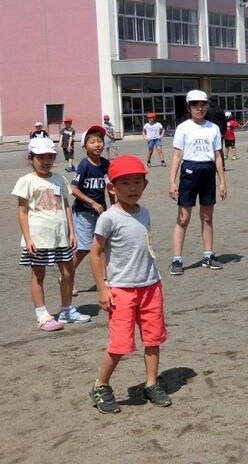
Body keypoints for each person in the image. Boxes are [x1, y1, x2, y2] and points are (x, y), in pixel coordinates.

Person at [88, 155, 171, 413]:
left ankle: (151, 383)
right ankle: (101, 385)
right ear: (112, 187)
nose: (132, 188)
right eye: (125, 183)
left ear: (145, 185)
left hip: (150, 285)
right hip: (121, 289)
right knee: (120, 343)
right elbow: (95, 252)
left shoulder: (144, 213)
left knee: (153, 338)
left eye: (137, 182)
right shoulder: (108, 218)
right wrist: (102, 288)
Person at [12, 137, 87, 331]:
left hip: (60, 236)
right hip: (38, 238)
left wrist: (72, 232)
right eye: (41, 157)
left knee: (68, 271)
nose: (46, 161)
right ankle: (42, 315)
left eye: (50, 157)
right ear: (31, 158)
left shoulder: (60, 179)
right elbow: (22, 211)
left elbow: (66, 206)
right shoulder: (26, 181)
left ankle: (66, 310)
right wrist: (27, 238)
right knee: (38, 274)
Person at [168, 90, 227, 275]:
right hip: (189, 171)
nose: (199, 108)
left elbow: (218, 156)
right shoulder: (183, 128)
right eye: (195, 105)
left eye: (202, 104)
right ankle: (177, 259)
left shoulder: (213, 128)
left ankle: (208, 255)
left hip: (208, 171)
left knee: (207, 217)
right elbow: (177, 155)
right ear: (189, 107)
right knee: (183, 218)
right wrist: (171, 181)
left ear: (207, 106)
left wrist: (222, 182)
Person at [70, 125, 114, 296]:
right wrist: (92, 203)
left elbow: (110, 187)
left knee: (101, 246)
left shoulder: (105, 164)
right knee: (84, 249)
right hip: (83, 213)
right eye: (92, 142)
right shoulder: (84, 165)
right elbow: (73, 189)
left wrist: (113, 207)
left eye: (100, 141)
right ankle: (66, 277)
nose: (97, 144)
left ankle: (104, 279)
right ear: (84, 147)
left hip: (100, 213)